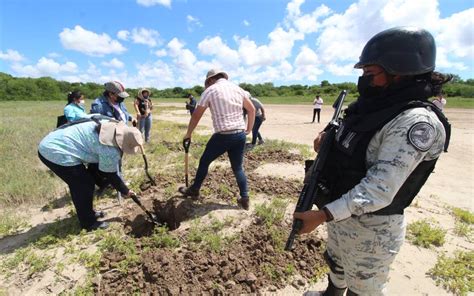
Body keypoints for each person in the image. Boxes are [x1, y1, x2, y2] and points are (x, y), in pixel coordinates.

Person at [294, 27, 451, 295]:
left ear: (399, 71)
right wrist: (326, 143)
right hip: (340, 212)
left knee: (363, 286)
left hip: (372, 229)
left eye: (370, 73)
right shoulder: (372, 106)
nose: (363, 80)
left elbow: (379, 189)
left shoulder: (415, 122)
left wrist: (321, 216)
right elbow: (351, 146)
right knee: (336, 266)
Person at [38, 119, 142, 231]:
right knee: (83, 185)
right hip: (55, 150)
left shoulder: (110, 125)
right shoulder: (110, 150)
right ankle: (88, 223)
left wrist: (122, 189)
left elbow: (100, 169)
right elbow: (109, 174)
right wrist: (125, 190)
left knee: (87, 181)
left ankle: (88, 212)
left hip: (55, 140)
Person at [178, 69, 255, 210]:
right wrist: (248, 129)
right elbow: (251, 110)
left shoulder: (210, 90)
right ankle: (245, 198)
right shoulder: (237, 89)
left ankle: (194, 189)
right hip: (239, 134)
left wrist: (188, 133)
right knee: (238, 167)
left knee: (204, 161)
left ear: (210, 80)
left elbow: (196, 115)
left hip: (223, 135)